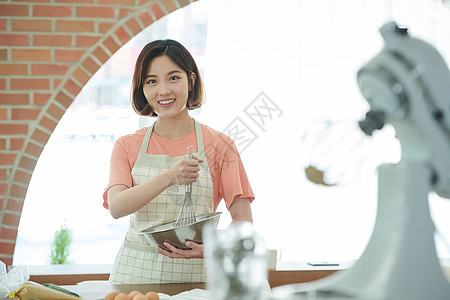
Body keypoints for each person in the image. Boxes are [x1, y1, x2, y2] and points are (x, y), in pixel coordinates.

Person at [103, 39, 254, 284]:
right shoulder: (126, 145)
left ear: (191, 80)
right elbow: (117, 207)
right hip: (135, 275)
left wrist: (213, 249)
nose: (163, 90)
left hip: (199, 274)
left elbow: (243, 222)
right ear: (142, 88)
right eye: (152, 81)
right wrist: (170, 177)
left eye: (173, 78)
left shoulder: (221, 145)